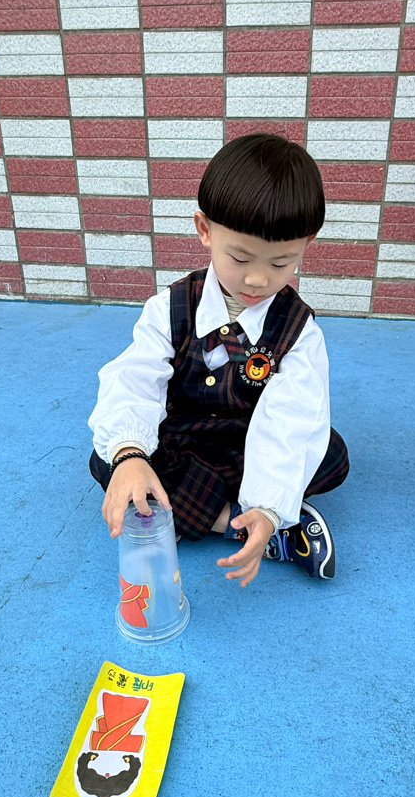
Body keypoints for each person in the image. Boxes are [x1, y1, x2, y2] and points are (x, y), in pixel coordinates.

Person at [88, 134, 350, 586]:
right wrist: (130, 455)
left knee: (330, 452)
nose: (258, 279)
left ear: (307, 243)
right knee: (109, 459)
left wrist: (268, 503)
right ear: (205, 229)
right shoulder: (171, 307)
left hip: (248, 447)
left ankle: (241, 515)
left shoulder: (298, 330)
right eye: (240, 257)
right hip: (181, 443)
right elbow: (134, 379)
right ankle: (245, 526)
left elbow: (291, 417)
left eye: (281, 263)